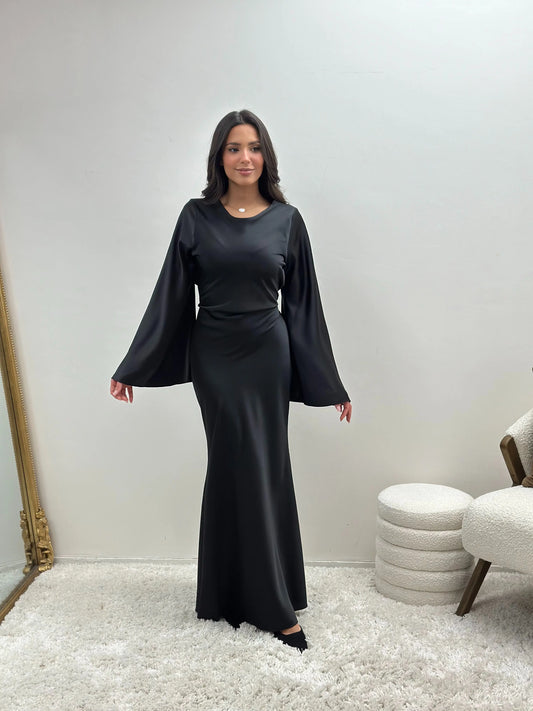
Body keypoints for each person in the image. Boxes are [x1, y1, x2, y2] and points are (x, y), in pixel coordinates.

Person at [110, 109, 351, 652]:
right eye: (234, 148)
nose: (246, 158)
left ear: (267, 156)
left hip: (268, 355)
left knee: (266, 466)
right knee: (234, 463)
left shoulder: (287, 220)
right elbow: (170, 292)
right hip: (215, 357)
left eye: (255, 147)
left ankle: (260, 593)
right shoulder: (195, 216)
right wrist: (134, 365)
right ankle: (264, 603)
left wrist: (329, 382)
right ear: (219, 157)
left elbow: (304, 306)